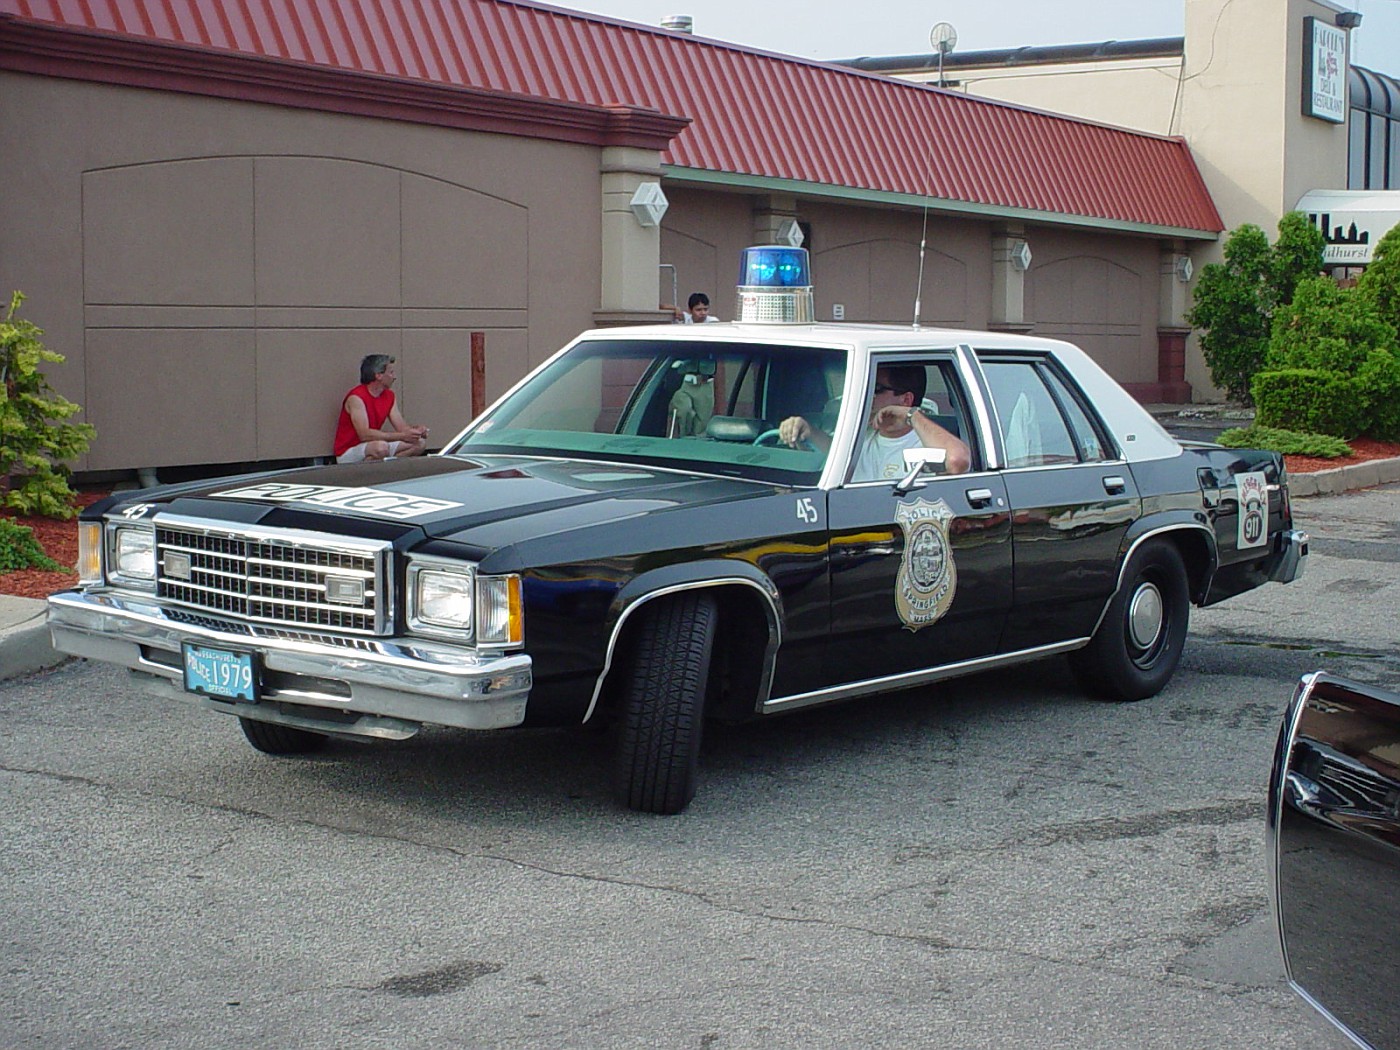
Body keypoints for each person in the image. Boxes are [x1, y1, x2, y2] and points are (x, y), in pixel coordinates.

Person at [777, 365, 971, 480]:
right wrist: (806, 429)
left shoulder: (924, 442)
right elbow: (831, 453)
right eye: (866, 388)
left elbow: (957, 461)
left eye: (876, 389)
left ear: (905, 400)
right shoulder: (860, 436)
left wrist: (912, 416)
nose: (866, 397)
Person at [332, 353, 429, 463]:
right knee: (381, 447)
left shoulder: (389, 396)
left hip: (376, 446)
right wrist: (403, 435)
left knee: (419, 443)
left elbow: (402, 428)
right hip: (348, 452)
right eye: (391, 372)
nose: (394, 377)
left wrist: (416, 432)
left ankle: (386, 468)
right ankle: (365, 473)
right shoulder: (356, 397)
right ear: (378, 375)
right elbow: (364, 434)